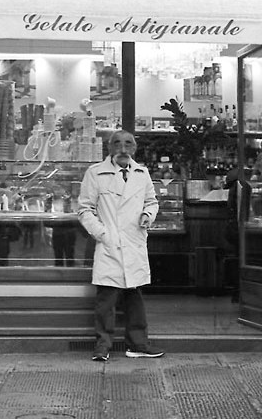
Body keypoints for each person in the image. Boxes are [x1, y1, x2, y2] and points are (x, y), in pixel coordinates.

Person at [77, 129, 163, 361]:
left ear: (134, 148)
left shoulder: (142, 173)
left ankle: (138, 344)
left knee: (135, 297)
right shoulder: (96, 173)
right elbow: (84, 209)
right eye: (117, 144)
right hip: (110, 244)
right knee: (106, 299)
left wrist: (147, 215)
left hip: (134, 242)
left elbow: (152, 202)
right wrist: (102, 233)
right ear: (109, 148)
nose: (123, 149)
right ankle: (102, 346)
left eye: (128, 144)